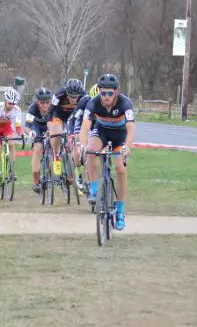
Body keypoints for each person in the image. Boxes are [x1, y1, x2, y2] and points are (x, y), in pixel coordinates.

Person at [78, 73, 135, 230]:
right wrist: (82, 145)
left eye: (110, 93)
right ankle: (95, 189)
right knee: (90, 150)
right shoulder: (93, 103)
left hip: (120, 136)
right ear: (99, 92)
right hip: (101, 131)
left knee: (120, 168)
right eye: (103, 93)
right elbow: (85, 127)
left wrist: (127, 147)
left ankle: (121, 211)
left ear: (116, 92)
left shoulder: (125, 103)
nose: (106, 96)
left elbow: (131, 129)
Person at [47, 78, 85, 178]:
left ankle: (76, 169)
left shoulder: (84, 96)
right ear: (66, 93)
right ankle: (56, 155)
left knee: (76, 143)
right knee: (57, 132)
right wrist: (50, 128)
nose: (73, 99)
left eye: (76, 97)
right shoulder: (59, 94)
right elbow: (50, 112)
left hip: (74, 118)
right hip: (59, 115)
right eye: (71, 96)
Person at [0, 88, 23, 186]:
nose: (12, 106)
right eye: (10, 103)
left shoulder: (17, 110)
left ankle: (12, 169)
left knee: (11, 143)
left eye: (14, 104)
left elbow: (18, 127)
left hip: (7, 128)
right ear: (5, 101)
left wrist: (22, 134)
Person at [24, 87, 53, 193]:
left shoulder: (53, 108)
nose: (45, 105)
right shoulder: (32, 109)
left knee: (53, 145)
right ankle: (36, 181)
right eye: (42, 102)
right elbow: (26, 127)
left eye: (47, 102)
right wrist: (31, 133)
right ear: (37, 102)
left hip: (49, 126)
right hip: (36, 127)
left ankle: (50, 173)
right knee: (37, 148)